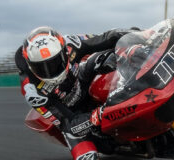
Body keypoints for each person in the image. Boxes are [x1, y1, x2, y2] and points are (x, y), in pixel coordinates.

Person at [15, 26, 133, 160]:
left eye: (54, 63)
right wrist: (99, 114)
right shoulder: (32, 91)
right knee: (87, 156)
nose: (50, 71)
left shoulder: (71, 43)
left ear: (64, 52)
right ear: (30, 65)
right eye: (41, 67)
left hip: (82, 80)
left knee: (114, 53)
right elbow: (69, 124)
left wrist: (139, 35)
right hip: (71, 113)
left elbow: (106, 38)